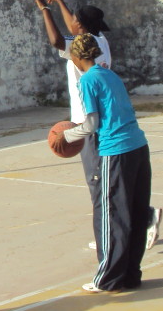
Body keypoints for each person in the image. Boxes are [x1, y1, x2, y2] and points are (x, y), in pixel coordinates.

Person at [30, 0, 162, 249]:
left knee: (97, 182)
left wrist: (45, 10)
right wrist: (58, 1)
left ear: (81, 26)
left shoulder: (83, 48)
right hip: (103, 121)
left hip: (89, 122)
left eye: (75, 20)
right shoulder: (97, 40)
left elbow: (57, 39)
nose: (71, 22)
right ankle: (129, 223)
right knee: (106, 180)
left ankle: (117, 231)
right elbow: (71, 27)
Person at [63, 34, 152, 293]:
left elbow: (91, 124)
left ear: (76, 57)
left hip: (116, 151)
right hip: (138, 146)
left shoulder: (88, 79)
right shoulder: (109, 74)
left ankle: (108, 278)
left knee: (111, 214)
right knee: (135, 214)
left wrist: (66, 136)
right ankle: (131, 275)